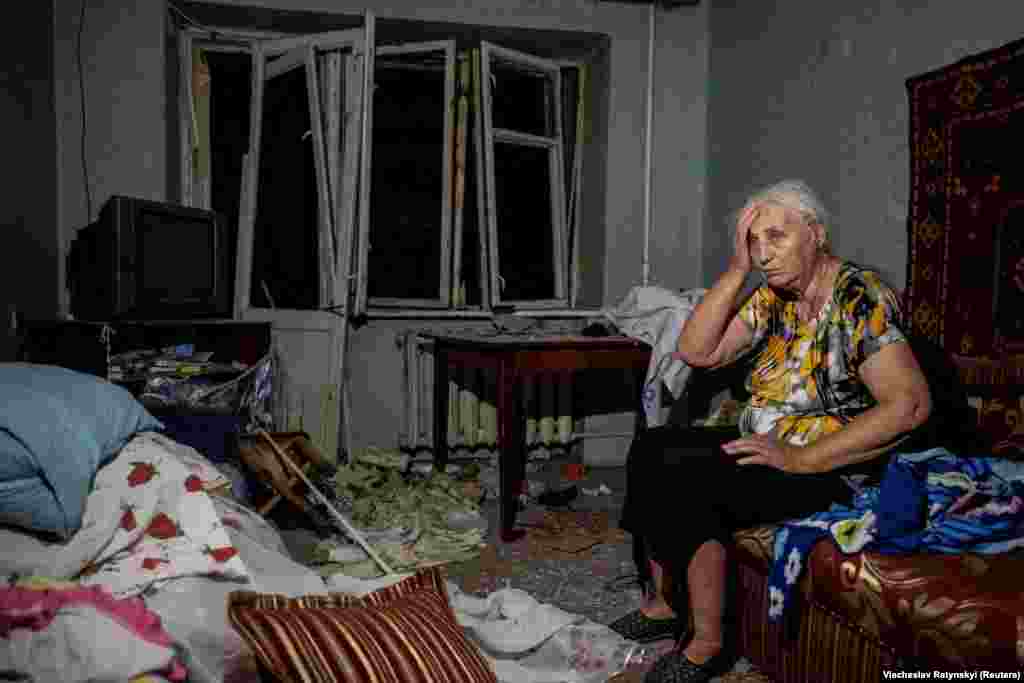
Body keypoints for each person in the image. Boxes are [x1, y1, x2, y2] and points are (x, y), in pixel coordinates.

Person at [608, 179, 933, 682]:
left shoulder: (858, 297)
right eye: (754, 242)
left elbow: (908, 405)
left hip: (834, 465)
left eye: (776, 237)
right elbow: (696, 352)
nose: (763, 254)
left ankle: (706, 645)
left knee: (690, 474)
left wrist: (803, 458)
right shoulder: (773, 297)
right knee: (653, 446)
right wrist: (736, 270)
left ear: (816, 234)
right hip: (772, 445)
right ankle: (663, 607)